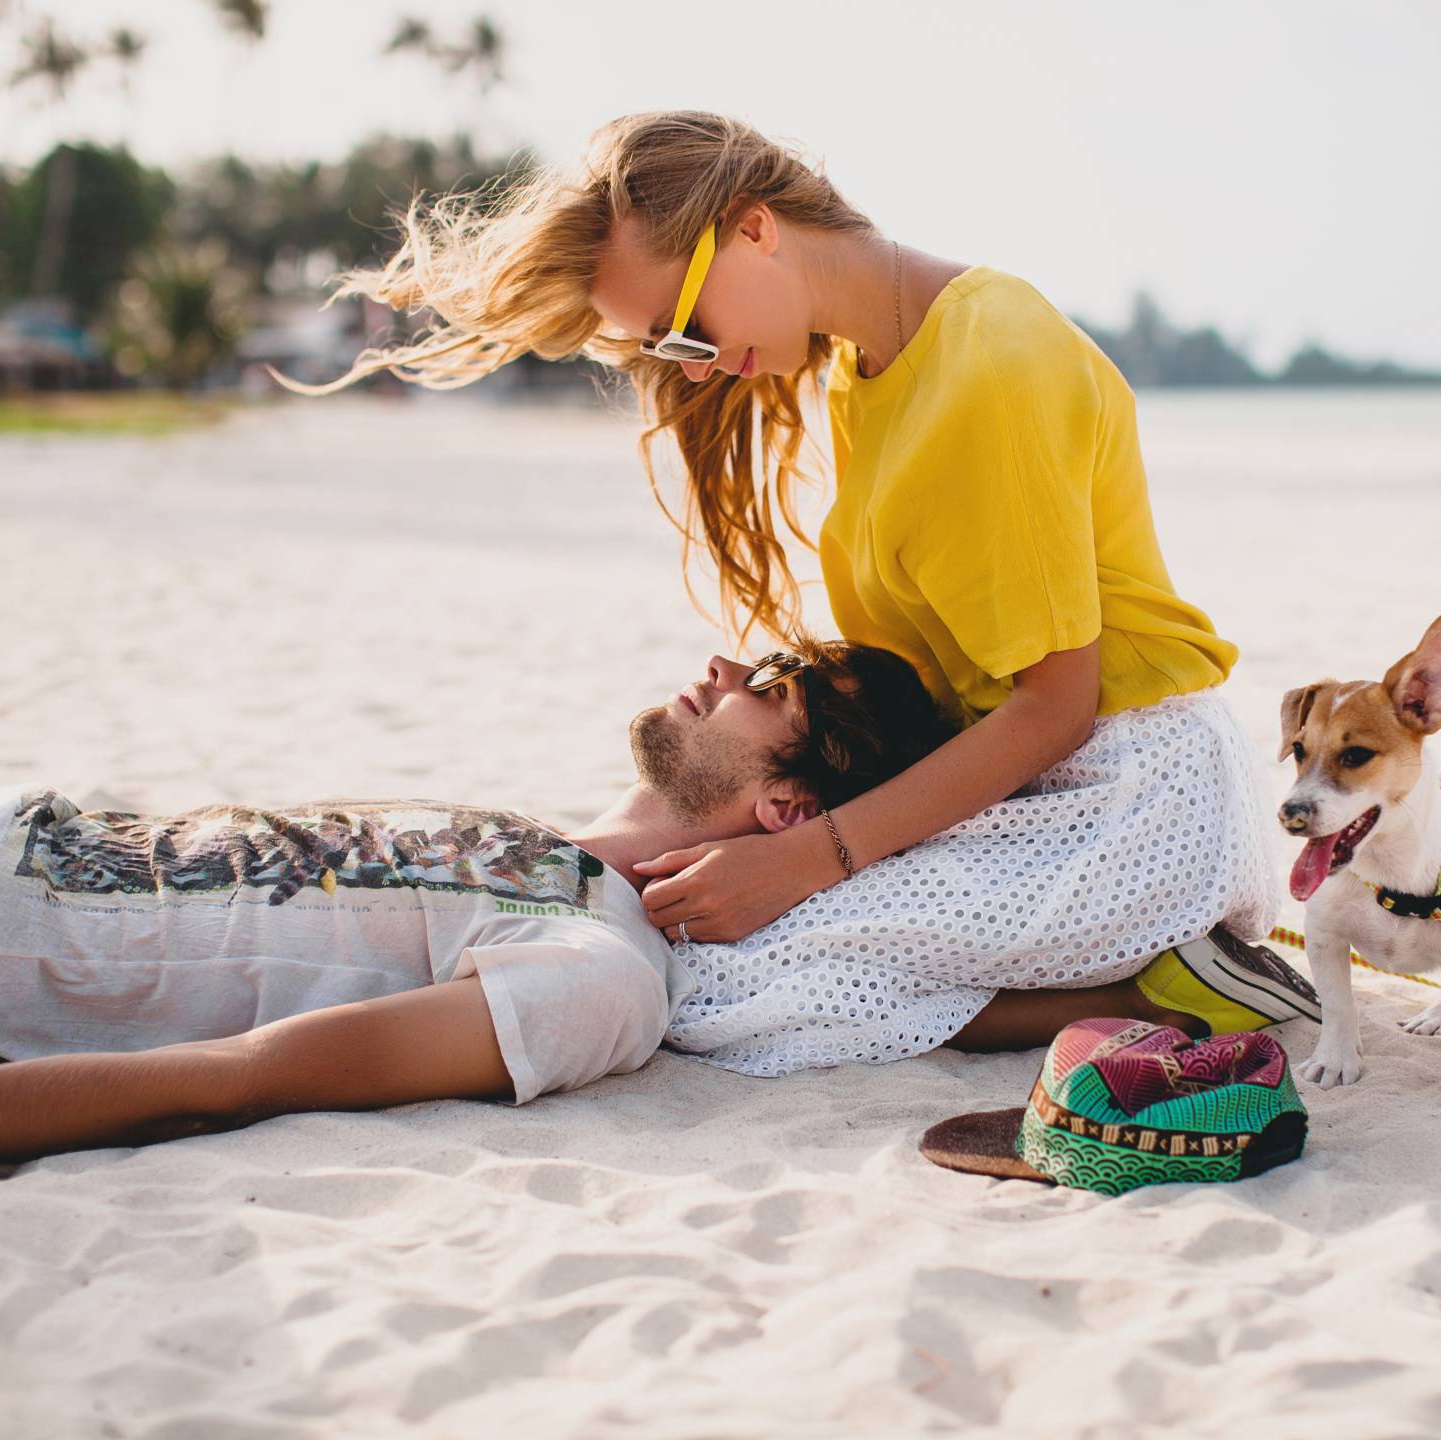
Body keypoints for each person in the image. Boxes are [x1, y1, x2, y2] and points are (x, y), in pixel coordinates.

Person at [285, 110, 1297, 1077]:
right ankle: (1140, 979)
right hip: (1039, 785)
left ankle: (1172, 989)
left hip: (1135, 800)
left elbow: (1056, 706)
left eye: (684, 331)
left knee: (724, 972)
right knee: (714, 926)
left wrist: (813, 857)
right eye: (666, 350)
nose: (696, 369)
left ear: (754, 229)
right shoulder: (873, 366)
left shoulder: (990, 363)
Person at [0, 631, 1215, 1184]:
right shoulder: (552, 851)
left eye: (769, 687)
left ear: (786, 808)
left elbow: (240, 1080)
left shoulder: (600, 973)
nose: (723, 665)